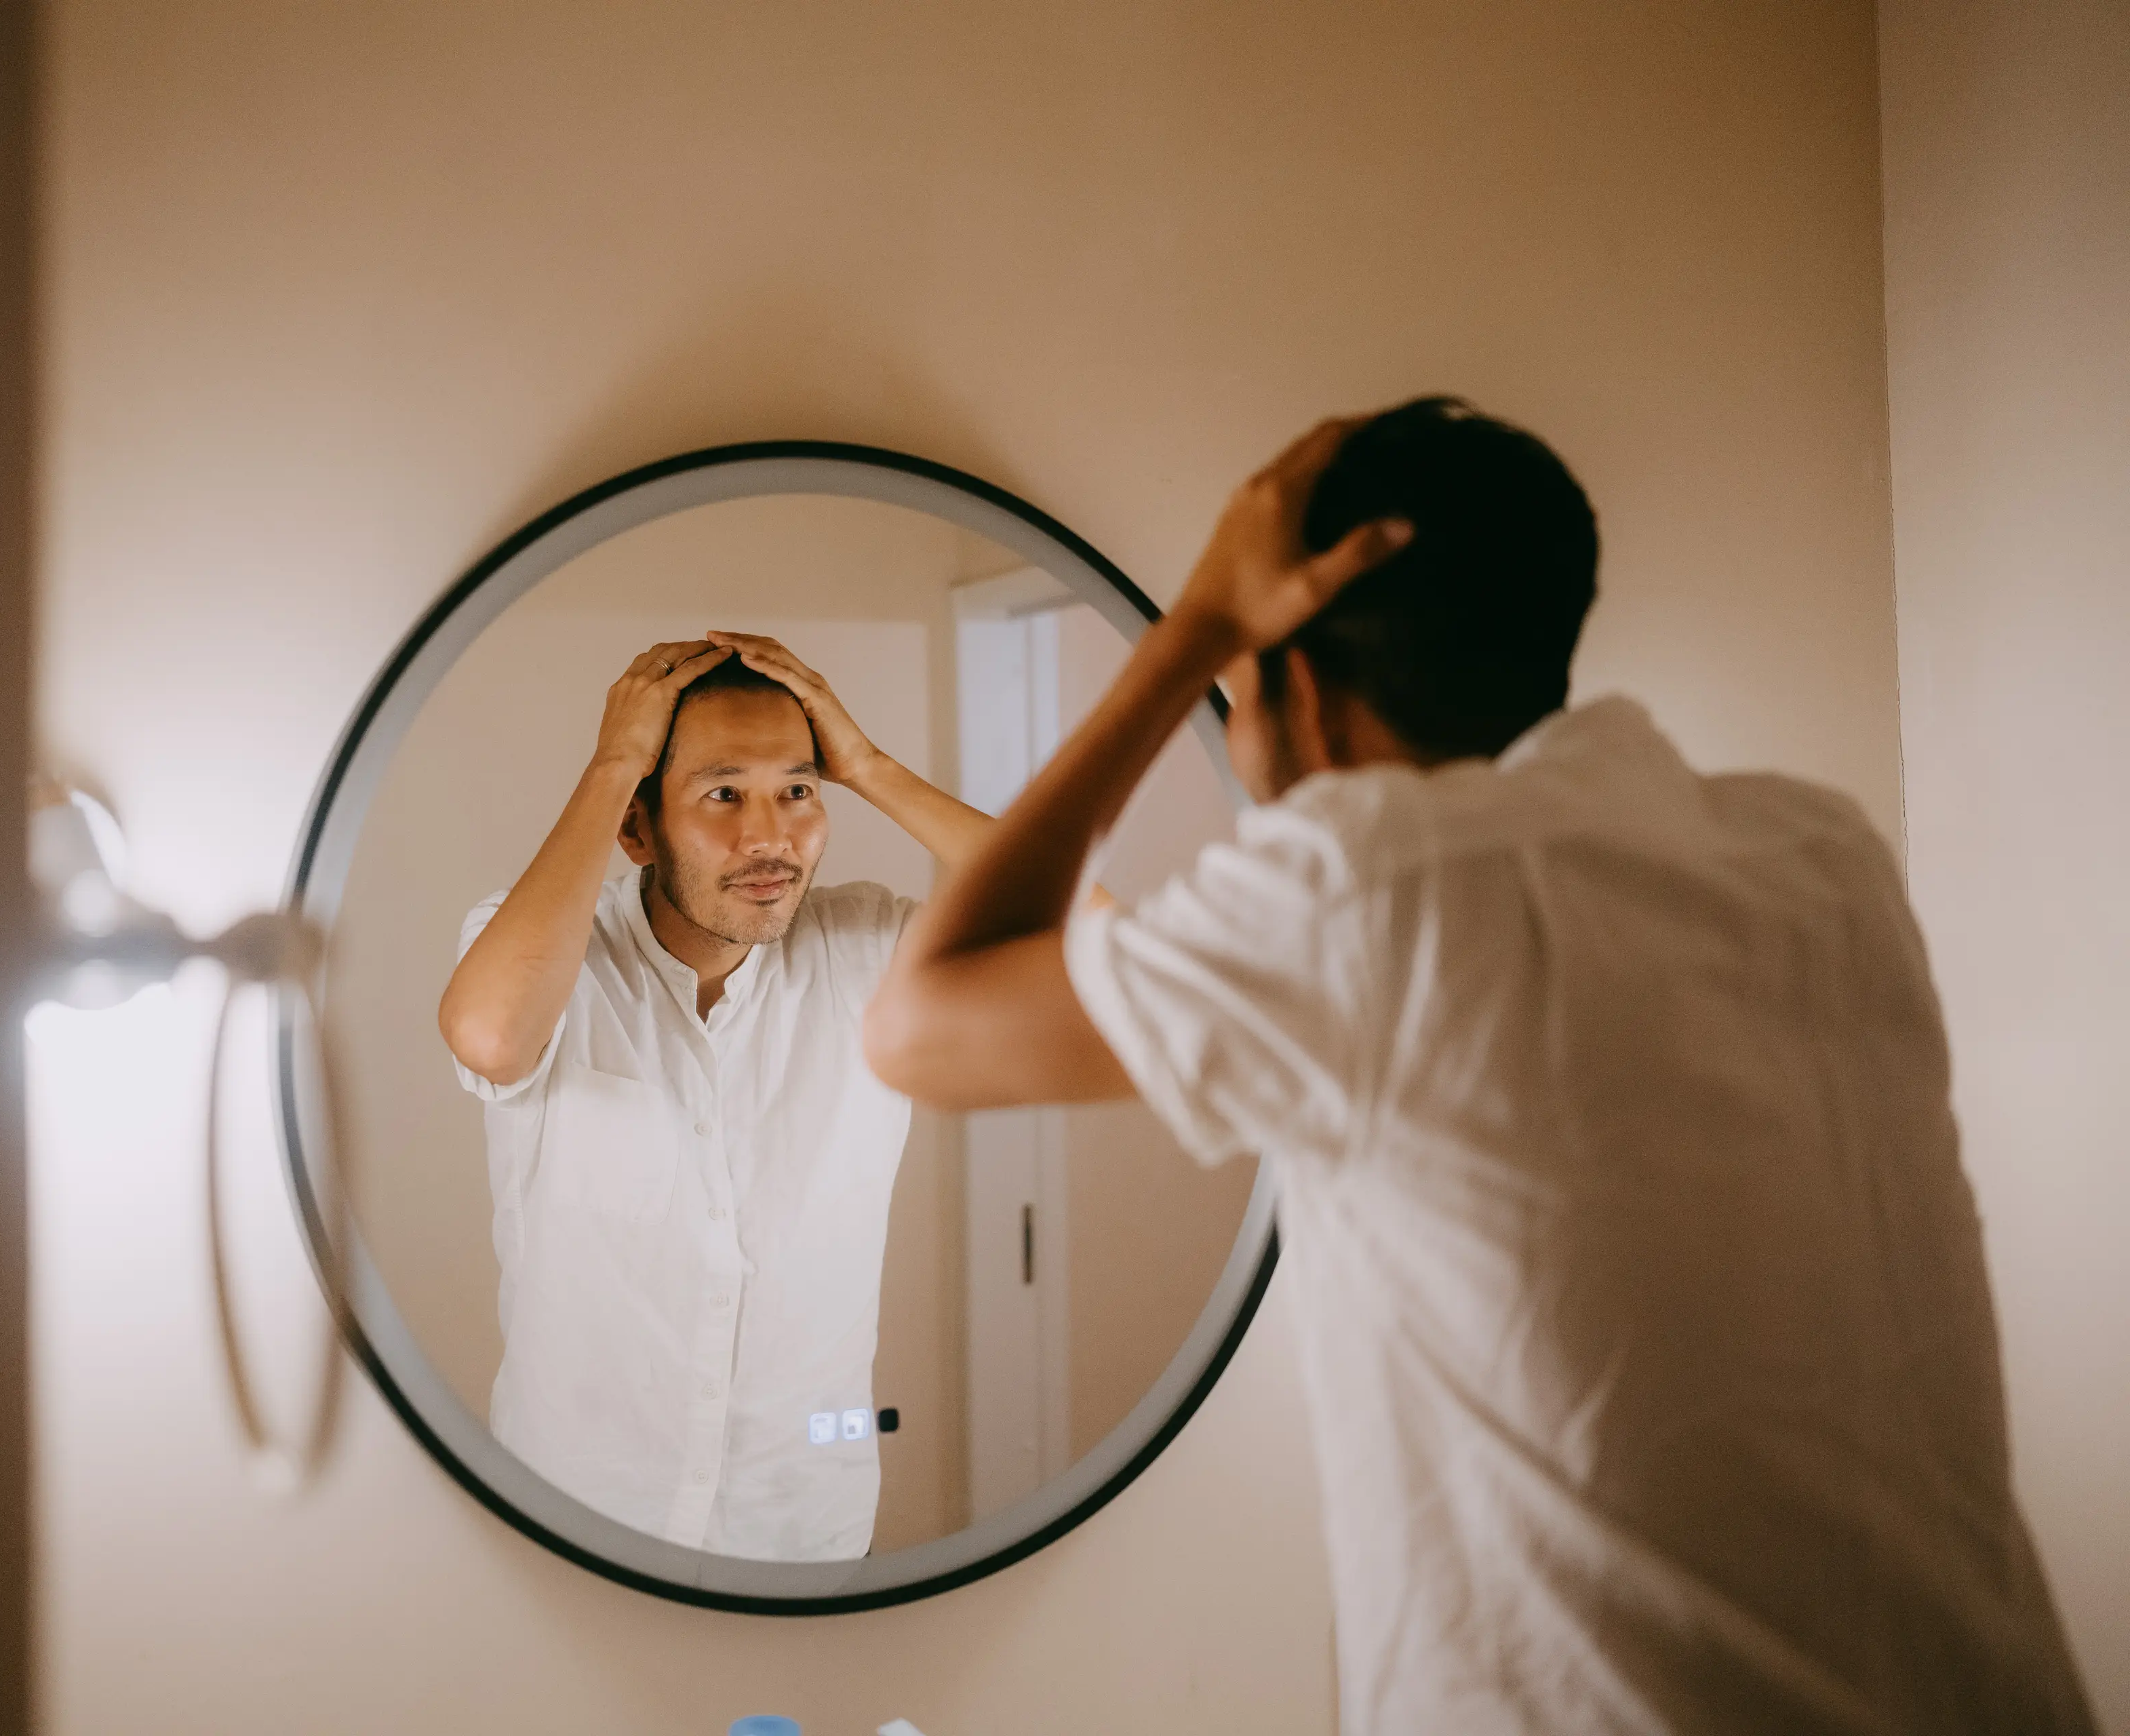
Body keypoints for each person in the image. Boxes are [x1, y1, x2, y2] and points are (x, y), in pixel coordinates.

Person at [864, 400, 2095, 1731]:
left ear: (1304, 688)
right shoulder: (1816, 858)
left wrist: (1195, 633)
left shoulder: (1365, 898)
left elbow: (917, 1023)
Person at [437, 629, 995, 1562]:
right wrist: (617, 759)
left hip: (805, 1522)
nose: (770, 836)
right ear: (637, 825)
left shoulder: (871, 948)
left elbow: (1096, 934)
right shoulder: (536, 947)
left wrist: (869, 764)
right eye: (723, 793)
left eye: (799, 791)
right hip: (572, 1518)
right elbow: (492, 1040)